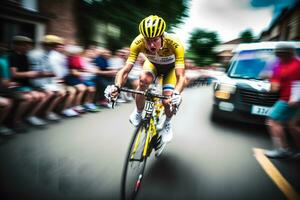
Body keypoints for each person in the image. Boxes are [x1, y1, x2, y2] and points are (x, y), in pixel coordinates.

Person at [105, 15, 186, 144]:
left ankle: (167, 123)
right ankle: (138, 112)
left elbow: (181, 76)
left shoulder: (175, 44)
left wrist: (176, 93)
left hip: (170, 69)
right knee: (142, 80)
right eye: (148, 40)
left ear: (162, 37)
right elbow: (125, 70)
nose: (151, 45)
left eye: (155, 40)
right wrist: (116, 86)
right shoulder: (137, 43)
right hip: (152, 65)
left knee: (167, 101)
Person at [264, 43, 300, 159]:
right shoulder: (297, 63)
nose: (278, 56)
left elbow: (274, 88)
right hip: (295, 99)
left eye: (279, 53)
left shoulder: (281, 67)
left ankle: (283, 150)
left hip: (287, 100)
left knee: (272, 122)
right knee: (292, 125)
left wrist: (269, 80)